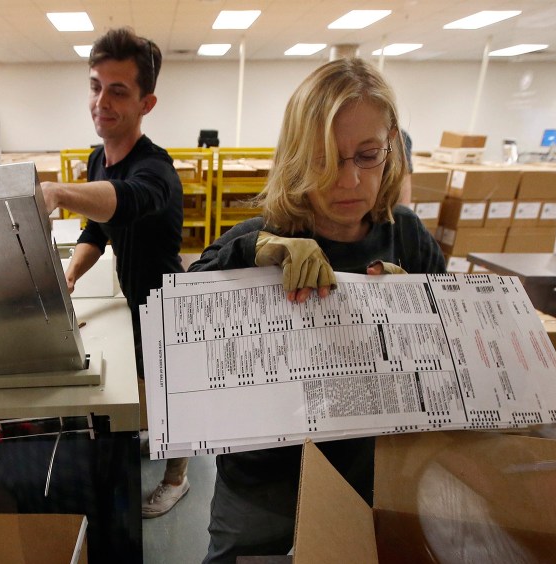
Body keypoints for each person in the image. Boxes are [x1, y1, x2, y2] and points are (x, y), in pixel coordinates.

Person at [188, 57, 446, 563]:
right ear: (298, 157)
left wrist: (413, 311)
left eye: (367, 155)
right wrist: (254, 250)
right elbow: (184, 309)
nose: (349, 181)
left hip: (364, 477)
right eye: (328, 159)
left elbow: (447, 362)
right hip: (260, 486)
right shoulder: (261, 236)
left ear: (391, 146)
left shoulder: (409, 240)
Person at [41, 27, 189, 519]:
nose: (101, 101)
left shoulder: (157, 171)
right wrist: (72, 273)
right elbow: (98, 228)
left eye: (118, 90)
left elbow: (126, 202)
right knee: (142, 387)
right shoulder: (97, 159)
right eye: (95, 86)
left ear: (147, 103)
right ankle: (158, 438)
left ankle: (178, 478)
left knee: (170, 393)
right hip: (131, 294)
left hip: (167, 300)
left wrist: (59, 192)